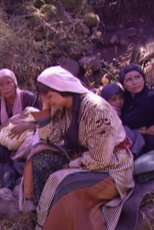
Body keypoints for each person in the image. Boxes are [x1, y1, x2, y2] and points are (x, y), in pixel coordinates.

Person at [21, 66, 134, 230]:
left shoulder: (97, 109)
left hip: (112, 167)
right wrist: (44, 108)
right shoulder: (62, 110)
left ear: (62, 88)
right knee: (39, 155)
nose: (47, 100)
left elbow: (101, 158)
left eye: (49, 96)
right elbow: (48, 137)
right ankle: (42, 214)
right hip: (82, 160)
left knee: (64, 183)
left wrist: (71, 166)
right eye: (44, 97)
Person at [0, 69, 40, 167]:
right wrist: (13, 120)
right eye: (1, 84)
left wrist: (26, 125)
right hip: (7, 143)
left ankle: (15, 162)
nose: (5, 87)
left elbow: (45, 123)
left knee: (32, 144)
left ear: (15, 83)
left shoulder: (29, 99)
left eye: (8, 83)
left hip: (27, 140)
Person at [100, 82, 145, 158]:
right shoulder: (104, 112)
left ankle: (131, 156)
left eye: (121, 98)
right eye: (114, 99)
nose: (118, 101)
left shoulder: (123, 110)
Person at [119, 64, 154, 153]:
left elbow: (129, 122)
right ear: (123, 84)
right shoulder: (124, 99)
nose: (135, 82)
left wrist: (143, 131)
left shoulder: (150, 97)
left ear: (143, 79)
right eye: (129, 79)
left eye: (138, 77)